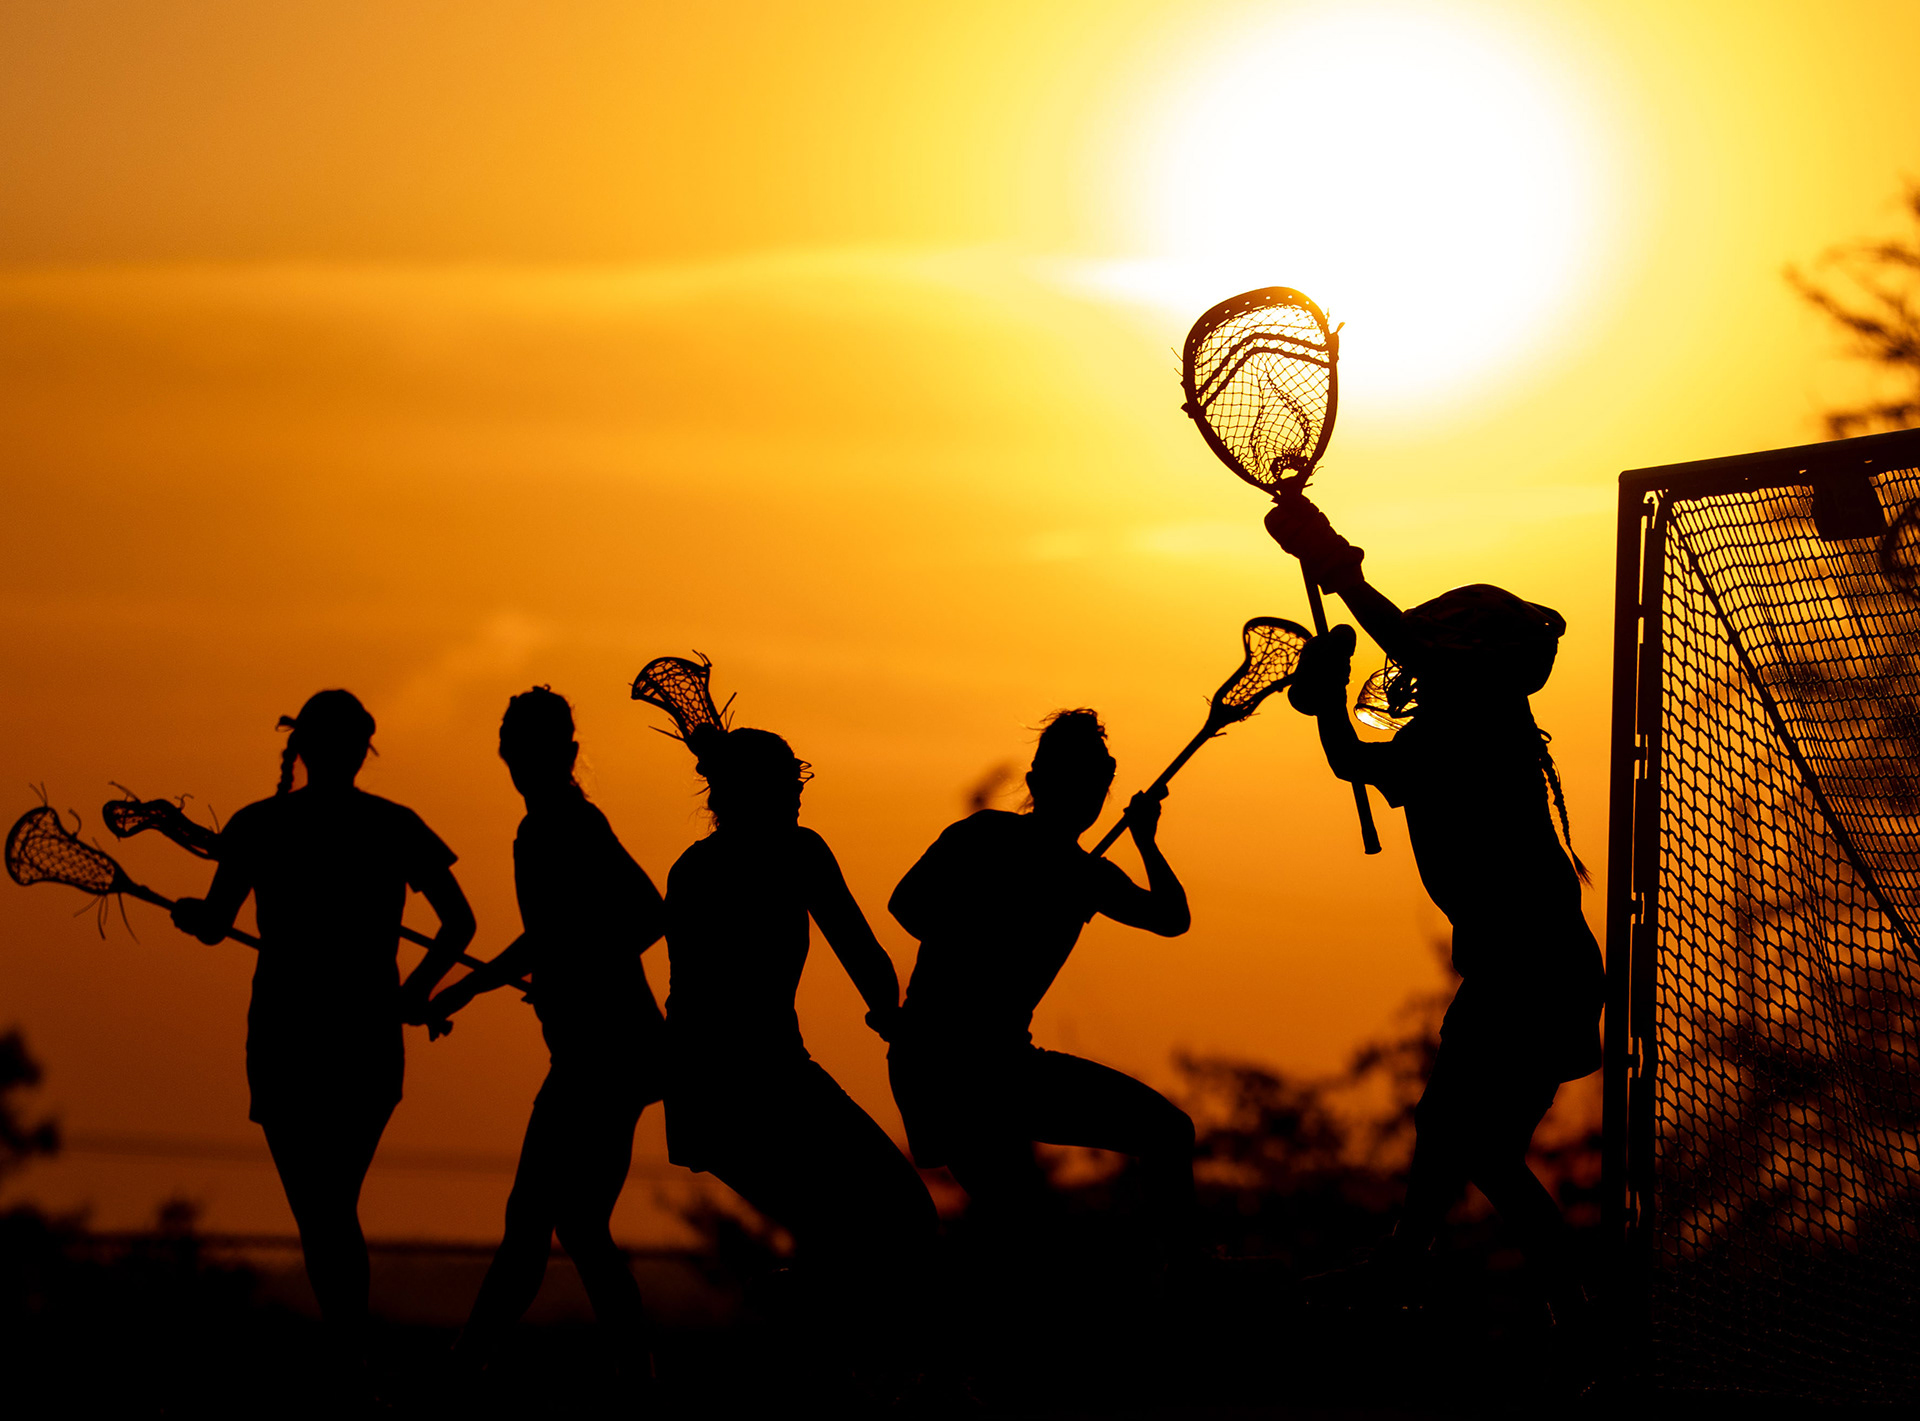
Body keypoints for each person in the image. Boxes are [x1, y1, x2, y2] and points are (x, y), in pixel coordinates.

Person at [1264, 493, 1604, 1335]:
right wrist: (1331, 700)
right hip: (1514, 965)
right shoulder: (1441, 735)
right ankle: (1431, 1272)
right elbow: (1352, 757)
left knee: (1466, 1138)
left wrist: (1337, 563)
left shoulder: (1486, 718)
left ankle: (1464, 1282)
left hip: (1536, 964)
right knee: (1468, 1140)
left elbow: (1411, 646)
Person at [170, 690, 475, 1381]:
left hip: (289, 1037)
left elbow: (216, 923)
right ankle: (352, 1367)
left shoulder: (259, 825)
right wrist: (411, 992)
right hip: (359, 1038)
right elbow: (459, 922)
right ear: (358, 748)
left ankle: (351, 1367)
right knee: (329, 1207)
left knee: (323, 1210)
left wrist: (192, 915)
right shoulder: (393, 826)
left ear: (302, 747)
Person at [661, 723, 936, 1386]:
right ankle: (889, 1375)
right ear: (752, 791)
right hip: (756, 1085)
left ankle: (834, 1361)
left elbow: (687, 1001)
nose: (797, 793)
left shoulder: (696, 869)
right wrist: (890, 1013)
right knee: (892, 1217)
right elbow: (866, 958)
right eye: (786, 781)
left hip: (721, 1090)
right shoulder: (796, 853)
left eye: (795, 779)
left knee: (851, 1230)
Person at [886, 709, 1195, 1249]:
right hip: (947, 1065)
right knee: (1035, 1222)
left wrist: (1146, 841)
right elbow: (906, 905)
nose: (1087, 795)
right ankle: (1176, 1280)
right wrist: (999, 919)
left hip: (996, 1064)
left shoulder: (1086, 876)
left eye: (1097, 783)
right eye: (1075, 780)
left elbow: (1171, 920)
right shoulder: (983, 835)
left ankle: (1173, 1274)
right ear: (1036, 784)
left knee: (1033, 1225)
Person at [426, 687, 664, 1383]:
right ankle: (634, 1371)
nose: (519, 760)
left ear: (564, 754)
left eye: (532, 747)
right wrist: (475, 985)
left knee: (536, 1217)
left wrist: (573, 965)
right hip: (605, 1050)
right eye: (514, 747)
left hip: (604, 1053)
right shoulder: (553, 826)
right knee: (579, 1225)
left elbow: (647, 913)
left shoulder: (566, 824)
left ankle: (465, 1363)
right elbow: (552, 936)